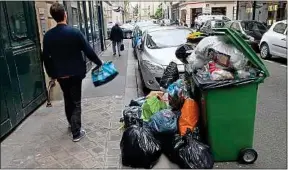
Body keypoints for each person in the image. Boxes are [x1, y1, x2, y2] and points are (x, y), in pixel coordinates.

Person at [42, 2, 102, 142]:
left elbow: (45, 57)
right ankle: (76, 132)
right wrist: (99, 62)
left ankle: (71, 124)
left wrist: (52, 74)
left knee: (68, 99)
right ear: (65, 15)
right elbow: (88, 51)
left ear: (54, 17)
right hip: (76, 73)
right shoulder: (75, 33)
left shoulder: (48, 36)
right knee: (76, 102)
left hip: (61, 75)